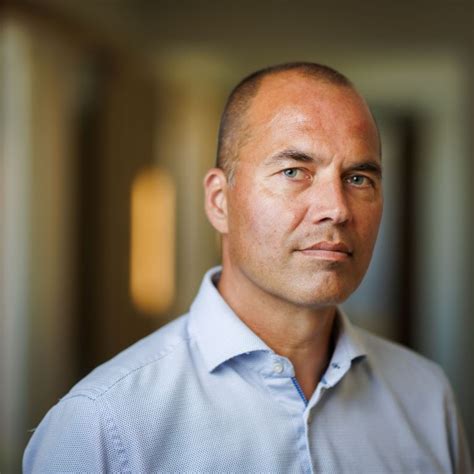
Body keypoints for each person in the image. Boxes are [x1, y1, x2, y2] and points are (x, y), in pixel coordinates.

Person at [24, 62, 472, 473]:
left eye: (358, 178)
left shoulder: (426, 397)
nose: (336, 209)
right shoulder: (102, 425)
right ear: (219, 201)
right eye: (294, 171)